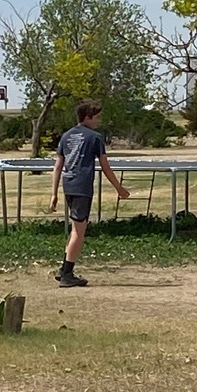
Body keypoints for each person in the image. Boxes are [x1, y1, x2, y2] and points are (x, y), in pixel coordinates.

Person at [50, 99, 130, 288]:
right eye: (97, 117)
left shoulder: (66, 136)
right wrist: (118, 187)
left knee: (75, 228)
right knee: (79, 232)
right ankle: (67, 275)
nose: (99, 121)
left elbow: (58, 166)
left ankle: (64, 269)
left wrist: (54, 193)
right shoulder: (95, 137)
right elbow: (105, 166)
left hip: (68, 185)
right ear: (88, 117)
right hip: (82, 186)